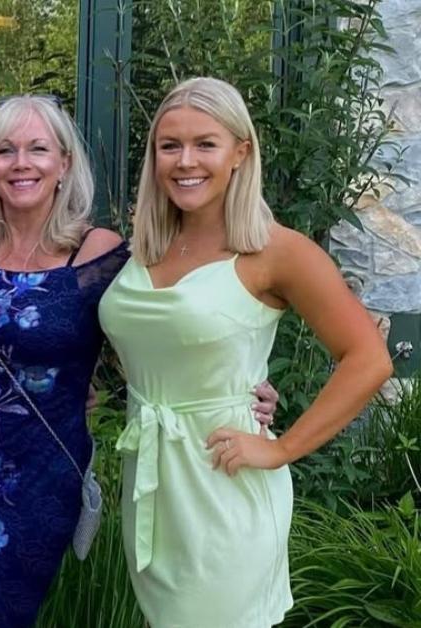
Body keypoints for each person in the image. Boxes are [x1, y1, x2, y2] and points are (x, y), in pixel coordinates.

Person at [99, 77, 392, 627]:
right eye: (170, 146)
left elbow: (369, 359)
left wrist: (282, 449)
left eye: (205, 144)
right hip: (156, 490)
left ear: (241, 151)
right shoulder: (148, 244)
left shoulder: (274, 250)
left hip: (224, 486)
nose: (185, 161)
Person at [0, 96, 127, 627]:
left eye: (38, 149)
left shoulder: (96, 253)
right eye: (6, 150)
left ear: (64, 163)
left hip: (40, 475)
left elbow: (158, 332)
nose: (21, 163)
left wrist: (246, 384)